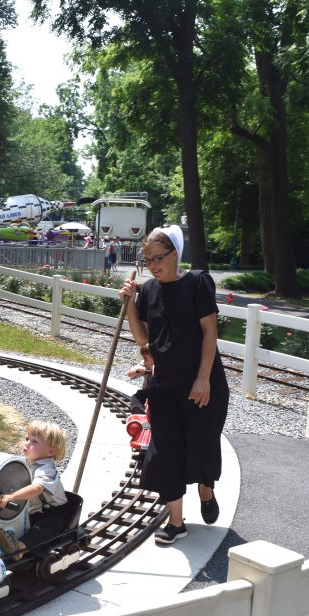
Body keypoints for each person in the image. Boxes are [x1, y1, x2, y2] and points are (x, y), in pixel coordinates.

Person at [118, 225, 229, 545]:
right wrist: (129, 305)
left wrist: (203, 379)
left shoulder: (197, 283)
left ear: (175, 254)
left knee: (201, 445)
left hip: (202, 382)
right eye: (148, 259)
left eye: (159, 258)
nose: (153, 265)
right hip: (165, 384)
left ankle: (206, 490)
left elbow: (209, 333)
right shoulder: (149, 291)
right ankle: (176, 523)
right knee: (165, 451)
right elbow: (144, 340)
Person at [0, 420, 70, 559]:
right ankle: (4, 543)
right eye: (27, 439)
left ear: (51, 451)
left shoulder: (47, 470)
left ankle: (19, 548)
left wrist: (11, 496)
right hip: (35, 512)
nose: (27, 444)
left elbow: (37, 488)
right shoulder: (27, 463)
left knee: (43, 528)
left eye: (34, 442)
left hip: (55, 514)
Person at [127, 343, 154, 415]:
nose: (145, 360)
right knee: (136, 397)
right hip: (147, 391)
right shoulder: (144, 364)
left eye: (145, 357)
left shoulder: (162, 364)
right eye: (144, 357)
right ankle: (139, 412)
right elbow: (130, 374)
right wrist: (137, 370)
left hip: (161, 391)